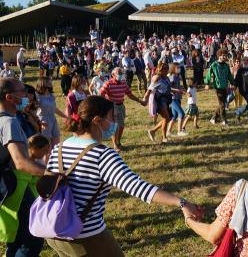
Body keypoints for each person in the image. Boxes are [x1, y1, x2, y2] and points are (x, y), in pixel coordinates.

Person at [44, 96, 203, 256]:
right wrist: (181, 202)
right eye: (112, 117)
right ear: (97, 120)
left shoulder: (59, 147)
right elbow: (138, 188)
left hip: (54, 229)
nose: (115, 121)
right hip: (85, 234)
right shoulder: (102, 155)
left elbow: (47, 185)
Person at [0, 77, 45, 256]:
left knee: (18, 237)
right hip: (14, 187)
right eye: (22, 92)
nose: (27, 95)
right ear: (10, 97)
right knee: (30, 240)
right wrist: (52, 173)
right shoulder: (9, 123)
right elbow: (20, 162)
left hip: (6, 187)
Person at [100, 67, 145, 151]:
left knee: (121, 126)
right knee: (115, 126)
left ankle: (118, 142)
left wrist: (139, 101)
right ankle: (115, 146)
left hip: (121, 106)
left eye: (121, 73)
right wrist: (105, 105)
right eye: (119, 73)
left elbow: (129, 94)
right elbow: (101, 93)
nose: (121, 75)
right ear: (113, 75)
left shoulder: (123, 83)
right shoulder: (108, 83)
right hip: (112, 106)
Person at [144, 62, 180, 143]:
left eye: (167, 68)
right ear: (160, 69)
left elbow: (168, 87)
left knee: (168, 118)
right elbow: (150, 89)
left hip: (166, 100)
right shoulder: (157, 78)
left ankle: (153, 131)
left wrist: (176, 90)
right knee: (166, 118)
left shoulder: (166, 78)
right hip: (160, 101)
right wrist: (145, 98)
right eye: (164, 68)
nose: (166, 70)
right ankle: (164, 138)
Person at [35, 76, 67, 149]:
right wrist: (38, 122)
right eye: (49, 81)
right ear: (43, 83)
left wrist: (65, 116)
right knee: (47, 144)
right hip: (43, 120)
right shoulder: (37, 96)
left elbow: (54, 109)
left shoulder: (51, 95)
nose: (51, 82)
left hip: (53, 119)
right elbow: (33, 110)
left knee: (57, 142)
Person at [205, 49, 234, 126]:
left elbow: (229, 76)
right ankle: (224, 120)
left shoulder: (226, 65)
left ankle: (213, 118)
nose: (225, 57)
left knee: (222, 104)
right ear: (219, 56)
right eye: (223, 55)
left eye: (225, 55)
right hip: (218, 87)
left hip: (225, 87)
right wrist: (207, 83)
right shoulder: (214, 65)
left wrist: (232, 83)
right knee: (222, 105)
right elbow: (208, 74)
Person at [166, 62, 187, 137]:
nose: (179, 69)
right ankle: (179, 131)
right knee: (181, 113)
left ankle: (168, 132)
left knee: (174, 116)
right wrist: (177, 90)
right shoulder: (172, 77)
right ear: (173, 69)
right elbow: (168, 88)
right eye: (177, 68)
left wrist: (181, 89)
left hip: (178, 98)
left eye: (179, 67)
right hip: (173, 99)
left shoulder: (177, 76)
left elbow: (177, 86)